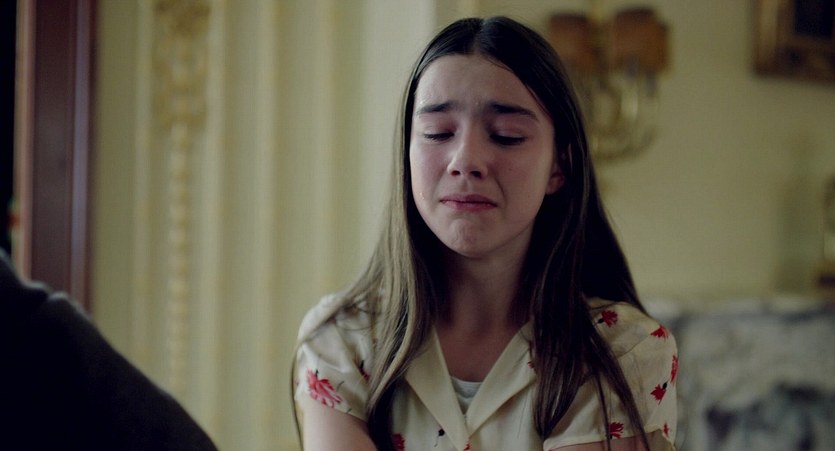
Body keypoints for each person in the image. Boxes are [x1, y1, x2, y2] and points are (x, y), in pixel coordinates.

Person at [293, 16, 677, 451]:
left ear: (559, 166)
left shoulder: (622, 352)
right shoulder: (342, 337)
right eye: (438, 133)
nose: (466, 160)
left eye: (507, 136)